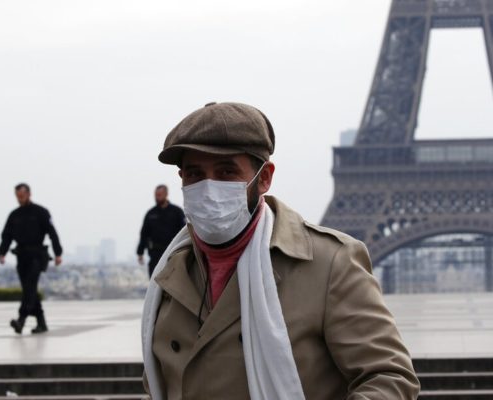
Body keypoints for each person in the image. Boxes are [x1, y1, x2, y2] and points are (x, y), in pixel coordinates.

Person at [141, 102, 420, 399]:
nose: (209, 188)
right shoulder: (169, 275)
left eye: (226, 172)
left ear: (264, 178)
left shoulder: (330, 263)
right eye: (195, 174)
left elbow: (389, 377)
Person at [0, 183, 63, 335]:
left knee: (29, 287)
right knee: (30, 290)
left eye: (22, 196)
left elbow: (52, 233)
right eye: (17, 196)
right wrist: (2, 253)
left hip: (37, 256)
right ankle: (41, 322)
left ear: (28, 194)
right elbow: (6, 236)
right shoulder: (14, 215)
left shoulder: (41, 212)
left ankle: (21, 320)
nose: (19, 199)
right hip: (22, 256)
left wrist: (58, 253)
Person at [137, 185, 185, 277]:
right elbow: (144, 234)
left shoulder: (177, 212)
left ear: (166, 194)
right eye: (156, 195)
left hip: (173, 254)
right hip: (155, 254)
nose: (157, 197)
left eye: (159, 195)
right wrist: (140, 252)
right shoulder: (151, 214)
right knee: (154, 283)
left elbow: (184, 232)